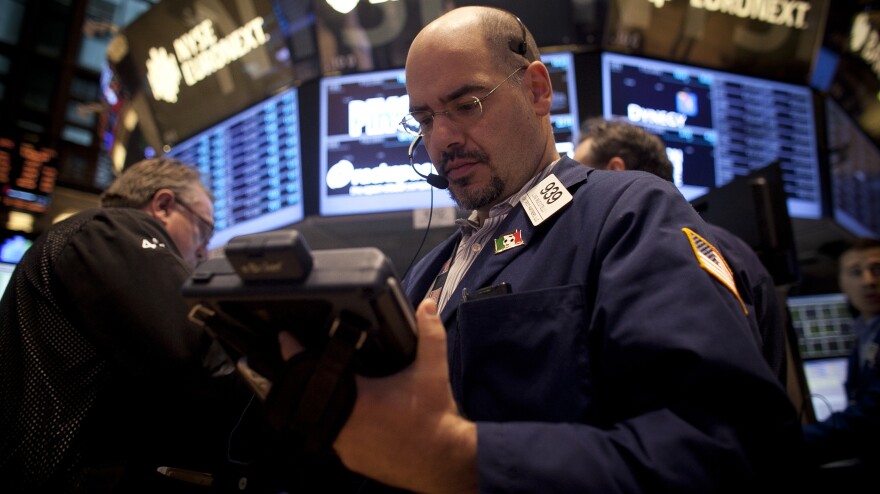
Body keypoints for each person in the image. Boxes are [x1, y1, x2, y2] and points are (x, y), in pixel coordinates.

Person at [275, 6, 801, 493]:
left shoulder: (627, 212)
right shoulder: (431, 270)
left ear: (537, 90)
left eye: (466, 105)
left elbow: (728, 445)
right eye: (426, 120)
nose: (442, 141)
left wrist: (463, 459)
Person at [0, 158, 253, 492]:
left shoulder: (82, 238)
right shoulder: (111, 228)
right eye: (203, 231)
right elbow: (201, 358)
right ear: (163, 205)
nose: (204, 252)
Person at [573, 117, 788, 384]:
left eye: (582, 175)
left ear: (616, 170)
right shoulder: (736, 248)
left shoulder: (649, 245)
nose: (574, 190)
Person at [802, 237, 880, 473]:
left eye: (877, 269)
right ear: (842, 283)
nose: (868, 281)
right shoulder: (866, 331)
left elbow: (870, 419)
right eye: (856, 272)